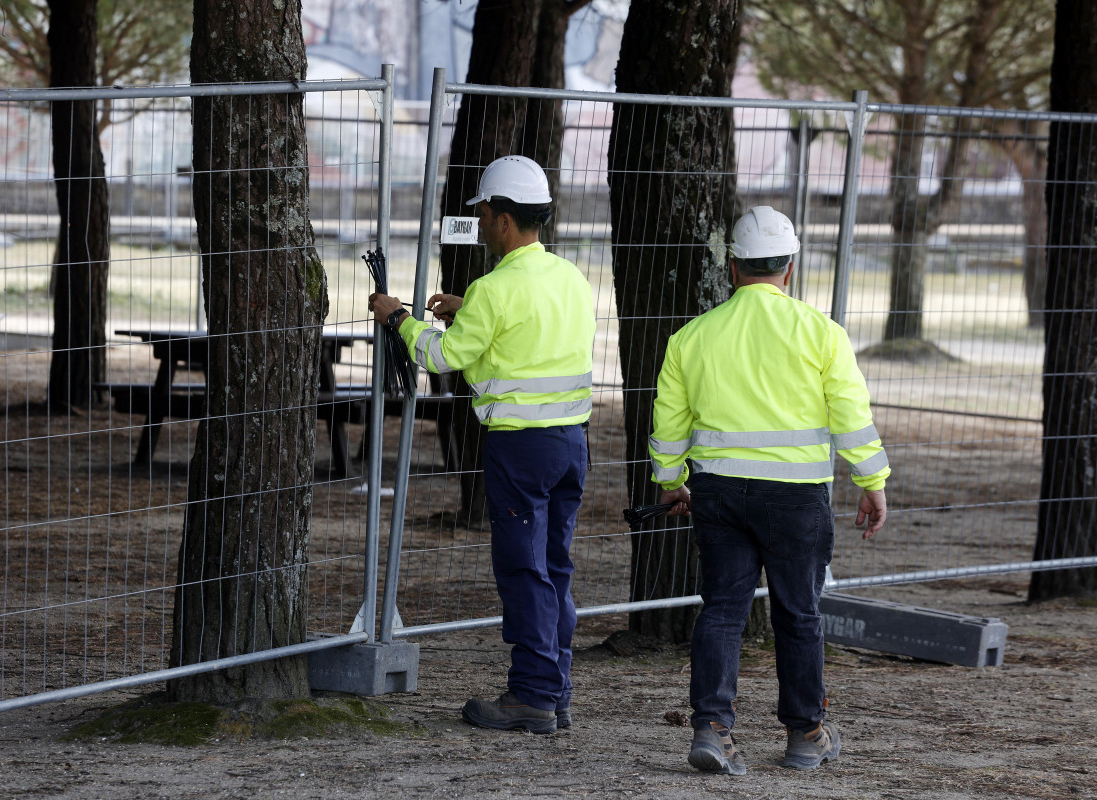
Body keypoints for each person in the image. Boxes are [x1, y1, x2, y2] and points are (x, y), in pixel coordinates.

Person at [648, 206, 889, 774]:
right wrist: (872, 482)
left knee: (724, 609)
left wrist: (669, 484)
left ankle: (710, 728)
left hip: (718, 493)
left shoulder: (691, 337)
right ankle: (806, 733)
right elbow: (852, 418)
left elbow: (668, 427)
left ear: (732, 267)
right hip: (797, 496)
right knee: (798, 613)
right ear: (791, 267)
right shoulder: (822, 333)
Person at [369, 155, 596, 735]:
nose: (484, 222)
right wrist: (467, 309)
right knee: (554, 568)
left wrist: (397, 318)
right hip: (570, 442)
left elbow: (443, 356)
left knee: (524, 572)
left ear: (502, 219)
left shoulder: (495, 288)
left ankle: (532, 697)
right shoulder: (568, 277)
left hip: (519, 447)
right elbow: (531, 327)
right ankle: (555, 687)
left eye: (486, 212)